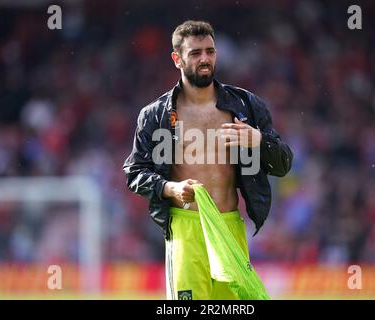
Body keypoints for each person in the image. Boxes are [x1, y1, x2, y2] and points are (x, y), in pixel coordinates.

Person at [123, 20, 293, 300]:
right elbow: (134, 172)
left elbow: (283, 163)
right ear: (177, 59)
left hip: (229, 227)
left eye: (210, 51)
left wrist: (258, 141)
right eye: (195, 53)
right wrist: (170, 189)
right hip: (186, 228)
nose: (205, 59)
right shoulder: (156, 115)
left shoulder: (246, 106)